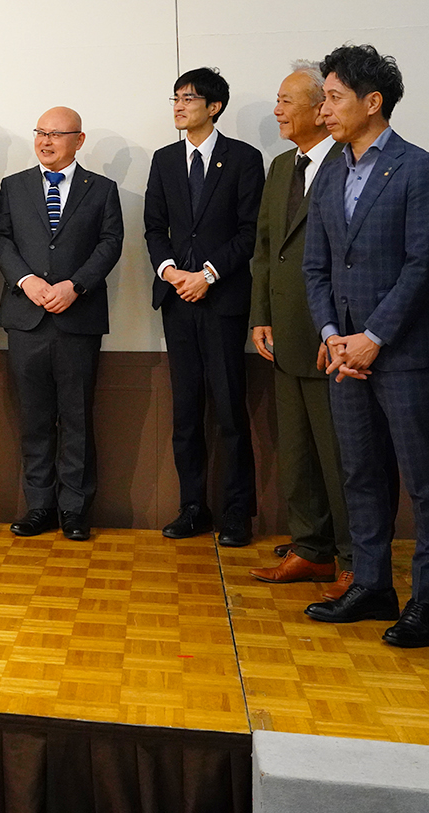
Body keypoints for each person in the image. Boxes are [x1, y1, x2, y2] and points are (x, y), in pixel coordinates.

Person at [300, 45, 429, 650]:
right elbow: (316, 267)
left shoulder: (420, 168)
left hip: (405, 352)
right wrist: (331, 335)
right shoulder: (329, 171)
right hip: (343, 354)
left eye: (333, 97)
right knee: (361, 474)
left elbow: (423, 265)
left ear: (373, 102)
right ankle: (371, 585)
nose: (323, 109)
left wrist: (373, 337)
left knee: (424, 481)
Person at [0, 106, 124, 542]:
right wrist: (25, 281)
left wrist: (76, 286)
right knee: (34, 418)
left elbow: (110, 243)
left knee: (77, 418)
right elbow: (0, 239)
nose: (46, 142)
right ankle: (39, 506)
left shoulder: (101, 189)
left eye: (56, 134)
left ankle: (75, 509)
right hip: (26, 319)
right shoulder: (14, 186)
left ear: (78, 140)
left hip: (77, 318)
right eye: (40, 133)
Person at [144, 67, 264, 546]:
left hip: (223, 299)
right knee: (186, 411)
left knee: (230, 410)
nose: (178, 106)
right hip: (177, 299)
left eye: (188, 98)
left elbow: (250, 231)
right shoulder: (165, 159)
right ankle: (192, 507)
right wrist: (170, 271)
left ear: (214, 107)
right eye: (175, 98)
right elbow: (155, 228)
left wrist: (208, 274)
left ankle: (237, 513)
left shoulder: (243, 158)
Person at [248, 65, 354, 595]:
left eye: (287, 101)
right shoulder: (281, 166)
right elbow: (266, 247)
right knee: (297, 452)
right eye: (277, 99)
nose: (278, 110)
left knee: (341, 456)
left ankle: (354, 557)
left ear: (320, 108)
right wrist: (261, 314)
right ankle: (311, 548)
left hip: (334, 336)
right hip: (284, 334)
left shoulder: (350, 159)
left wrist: (338, 328)